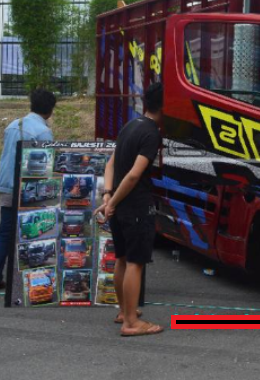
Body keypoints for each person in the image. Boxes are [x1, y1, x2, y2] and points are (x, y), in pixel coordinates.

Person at [94, 83, 163, 337]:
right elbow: (134, 175)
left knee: (121, 259)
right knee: (136, 263)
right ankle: (131, 322)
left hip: (120, 206)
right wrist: (111, 202)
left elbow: (110, 163)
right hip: (136, 206)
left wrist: (109, 195)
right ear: (165, 106)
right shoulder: (151, 134)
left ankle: (124, 311)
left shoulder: (130, 126)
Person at [0, 89, 57, 290]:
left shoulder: (13, 125)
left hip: (6, 185)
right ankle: (35, 281)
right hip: (28, 189)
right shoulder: (43, 132)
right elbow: (47, 166)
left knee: (6, 231)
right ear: (50, 110)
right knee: (35, 231)